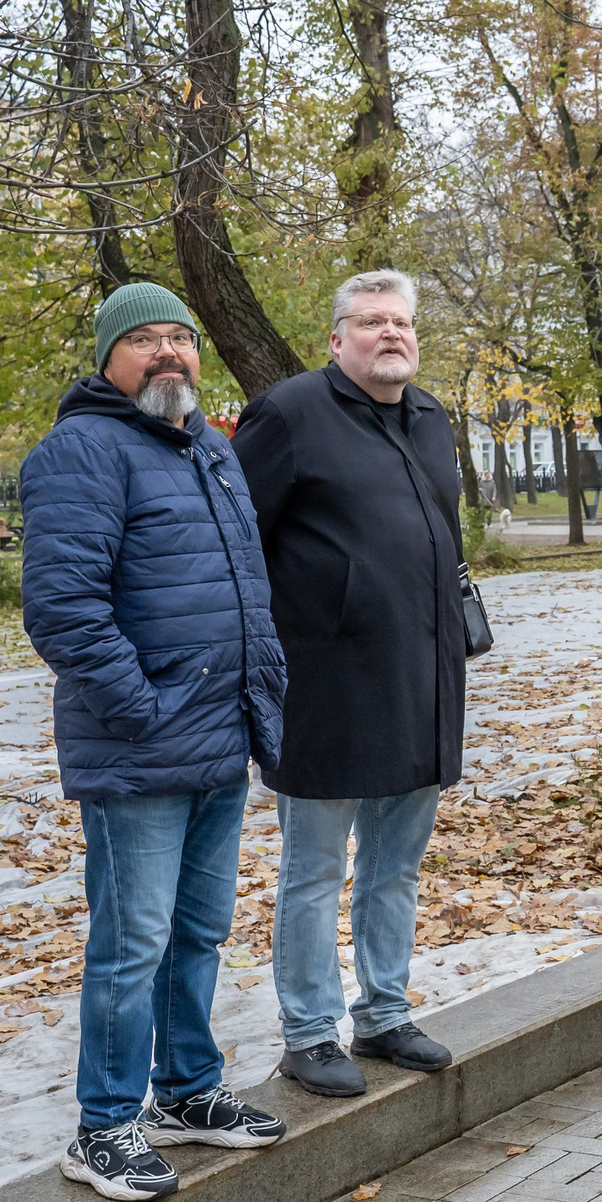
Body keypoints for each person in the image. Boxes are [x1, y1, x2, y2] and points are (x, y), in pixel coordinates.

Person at [20, 282, 289, 1201]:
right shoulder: (82, 451)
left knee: (199, 931)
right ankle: (103, 1125)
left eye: (181, 336)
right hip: (143, 746)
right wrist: (143, 709)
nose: (168, 352)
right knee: (132, 940)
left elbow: (246, 588)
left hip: (219, 737)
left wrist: (260, 697)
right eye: (145, 339)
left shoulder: (208, 447)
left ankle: (185, 1091)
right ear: (108, 359)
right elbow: (63, 610)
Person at [231, 271, 468, 1097]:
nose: (390, 334)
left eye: (402, 322)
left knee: (395, 865)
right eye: (371, 322)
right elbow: (236, 544)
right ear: (337, 340)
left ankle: (384, 1011)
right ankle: (306, 1031)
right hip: (326, 687)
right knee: (314, 869)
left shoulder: (433, 418)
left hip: (422, 680)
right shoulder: (289, 415)